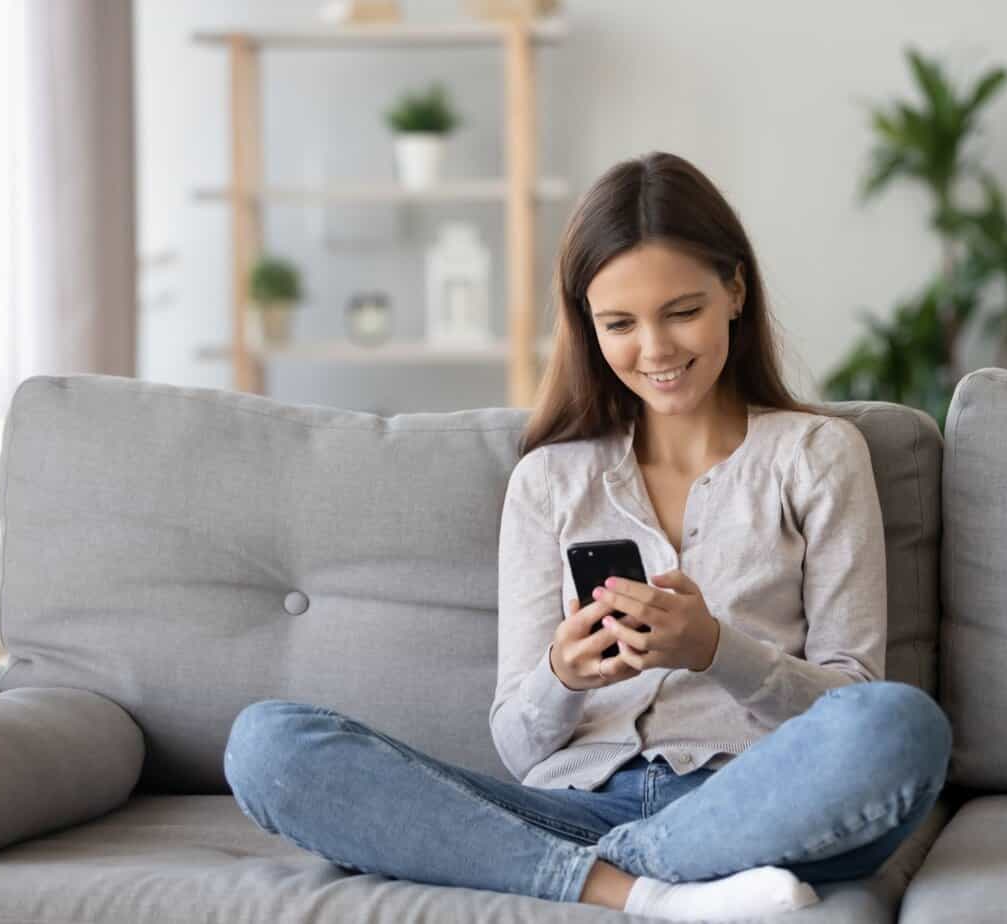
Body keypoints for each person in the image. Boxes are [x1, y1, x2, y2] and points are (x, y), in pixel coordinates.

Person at [223, 151, 952, 921]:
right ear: (586, 325)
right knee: (268, 745)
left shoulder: (816, 455)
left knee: (898, 725)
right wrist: (563, 675)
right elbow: (520, 742)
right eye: (619, 324)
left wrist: (714, 649)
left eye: (681, 311)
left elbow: (851, 700)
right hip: (571, 807)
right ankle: (649, 893)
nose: (656, 350)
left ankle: (617, 870)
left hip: (753, 803)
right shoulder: (549, 481)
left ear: (734, 292)